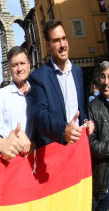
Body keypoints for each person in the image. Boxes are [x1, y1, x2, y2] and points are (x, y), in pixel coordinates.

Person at [28, 19, 89, 147]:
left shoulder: (78, 72)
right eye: (56, 41)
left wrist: (87, 121)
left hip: (80, 145)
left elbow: (81, 108)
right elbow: (39, 114)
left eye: (64, 38)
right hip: (56, 146)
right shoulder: (38, 77)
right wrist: (63, 130)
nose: (62, 45)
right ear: (48, 45)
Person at [87, 61, 109, 211]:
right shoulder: (93, 107)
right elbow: (92, 146)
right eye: (103, 77)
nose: (106, 82)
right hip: (101, 182)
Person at [0, 46, 34, 140]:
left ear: (29, 65)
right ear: (10, 69)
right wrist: (15, 139)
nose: (19, 68)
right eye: (15, 65)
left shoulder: (37, 91)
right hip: (12, 152)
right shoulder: (1, 95)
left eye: (22, 63)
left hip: (38, 151)